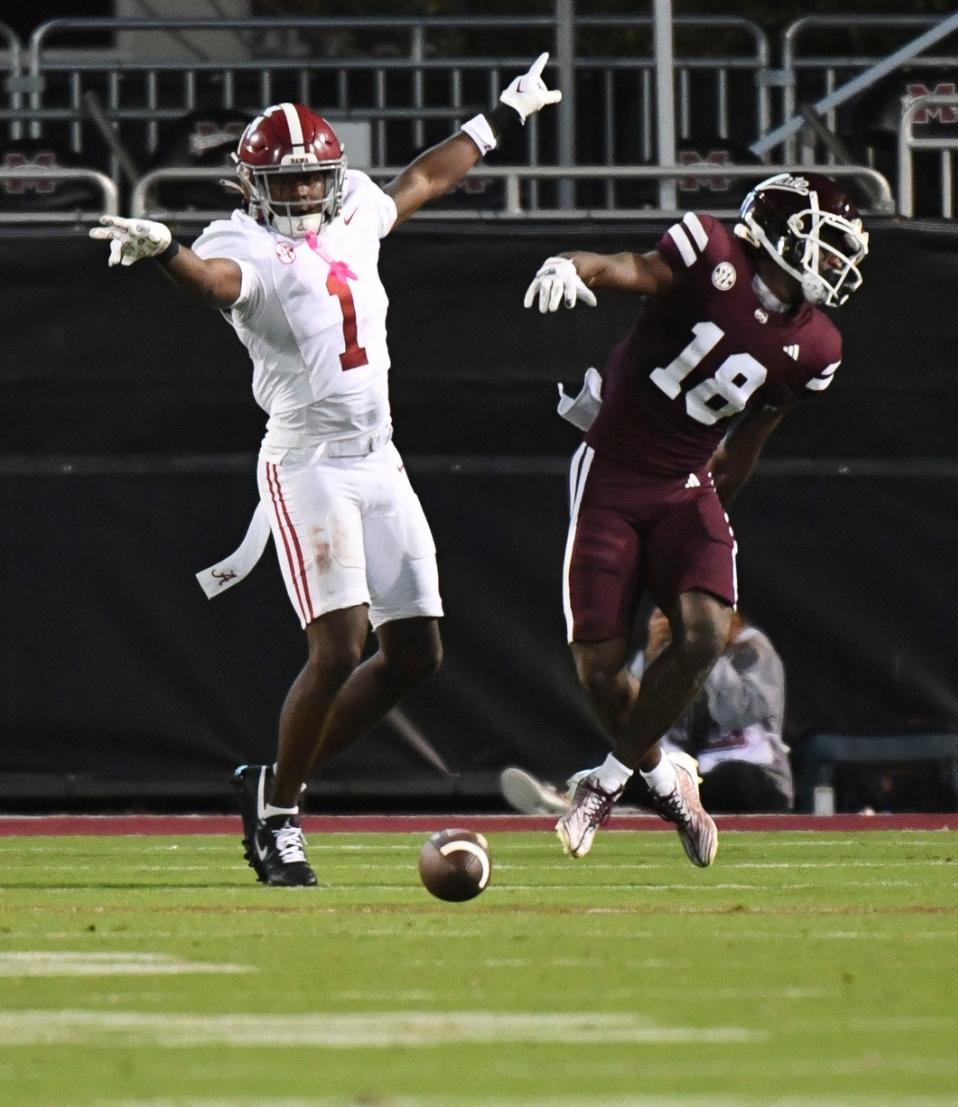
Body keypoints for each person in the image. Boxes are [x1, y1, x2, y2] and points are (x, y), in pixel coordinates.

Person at [89, 54, 562, 887]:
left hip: (380, 455)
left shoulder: (351, 216)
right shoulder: (241, 241)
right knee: (339, 644)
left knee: (418, 654)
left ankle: (273, 778)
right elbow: (211, 282)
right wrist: (166, 250)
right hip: (307, 459)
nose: (306, 194)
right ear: (251, 183)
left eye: (315, 180)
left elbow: (423, 178)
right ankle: (280, 817)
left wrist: (507, 114)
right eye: (289, 181)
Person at [522, 172, 868, 865]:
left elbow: (743, 451)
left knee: (705, 628)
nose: (835, 263)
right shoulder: (709, 251)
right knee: (598, 668)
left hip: (687, 485)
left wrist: (694, 544)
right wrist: (572, 263)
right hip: (613, 472)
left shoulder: (818, 346)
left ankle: (609, 780)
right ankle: (666, 779)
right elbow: (629, 268)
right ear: (781, 232)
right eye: (826, 243)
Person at [499, 608, 793, 817]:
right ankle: (584, 799)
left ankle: (617, 805)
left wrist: (706, 651)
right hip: (696, 774)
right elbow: (636, 721)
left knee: (733, 780)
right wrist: (654, 656)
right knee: (635, 768)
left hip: (754, 775)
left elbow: (740, 714)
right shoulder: (670, 657)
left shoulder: (752, 649)